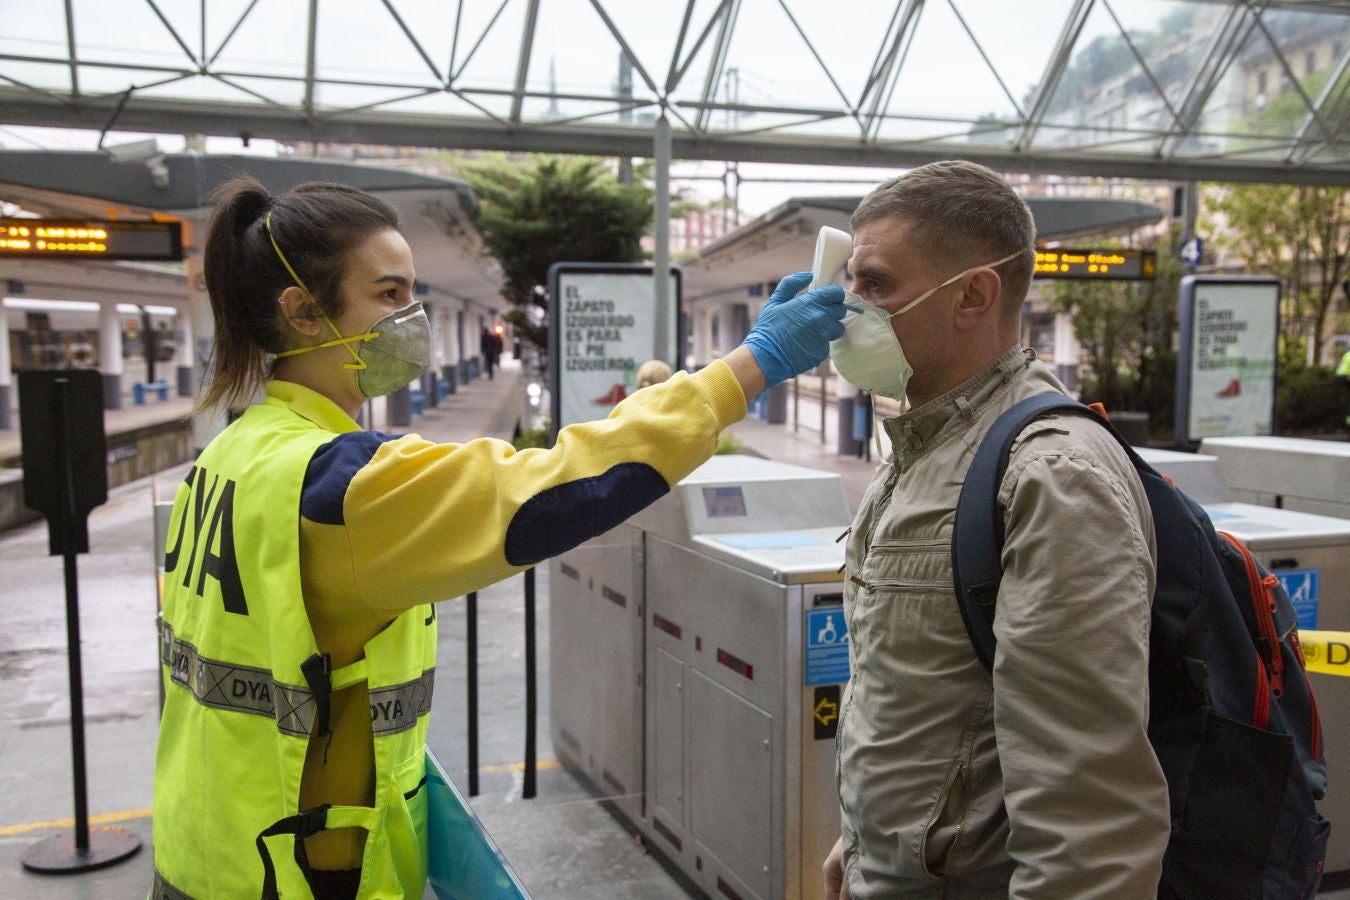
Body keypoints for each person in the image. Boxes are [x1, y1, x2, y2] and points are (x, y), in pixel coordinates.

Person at [151, 175, 845, 899]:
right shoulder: (335, 484)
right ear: (303, 312)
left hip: (206, 848)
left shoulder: (232, 454)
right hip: (299, 874)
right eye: (388, 295)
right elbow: (554, 487)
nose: (410, 316)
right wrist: (749, 366)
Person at [821, 160, 1169, 899]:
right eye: (850, 281)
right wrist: (859, 840)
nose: (847, 307)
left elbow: (1091, 819)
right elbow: (927, 696)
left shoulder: (1051, 476)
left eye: (875, 284)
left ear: (973, 295)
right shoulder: (925, 445)